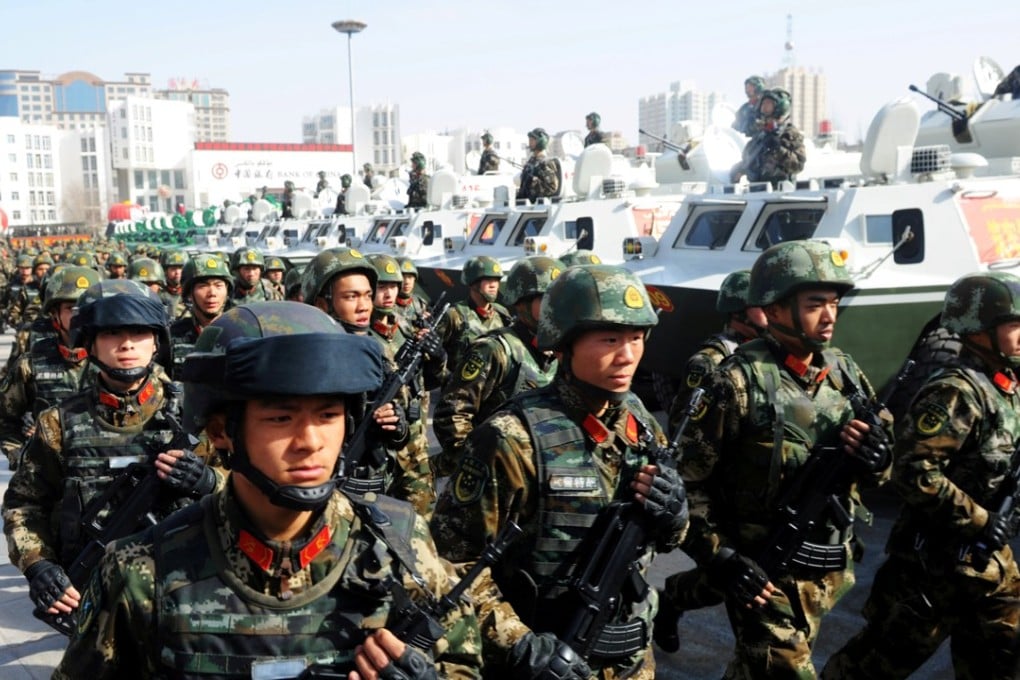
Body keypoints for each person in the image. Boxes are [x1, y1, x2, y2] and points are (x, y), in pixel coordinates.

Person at [52, 301, 483, 679]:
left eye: (328, 416)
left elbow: (463, 660)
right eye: (281, 419)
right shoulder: (141, 572)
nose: (311, 442)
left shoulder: (401, 545)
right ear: (221, 431)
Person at [430, 264, 689, 679]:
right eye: (610, 340)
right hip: (546, 659)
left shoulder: (639, 422)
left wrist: (674, 515)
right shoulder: (511, 437)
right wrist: (519, 644)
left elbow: (664, 538)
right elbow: (452, 565)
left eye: (637, 338)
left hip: (631, 657)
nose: (627, 356)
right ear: (564, 343)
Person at [675, 240, 894, 678]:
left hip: (829, 566)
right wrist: (721, 558)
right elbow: (686, 484)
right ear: (773, 309)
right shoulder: (736, 382)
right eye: (815, 305)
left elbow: (882, 465)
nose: (829, 316)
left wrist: (878, 458)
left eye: (833, 304)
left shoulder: (845, 373)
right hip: (764, 570)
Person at [822, 271, 1020, 680]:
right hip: (931, 569)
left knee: (1002, 662)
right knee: (871, 668)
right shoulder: (955, 392)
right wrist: (982, 520)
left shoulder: (1006, 387)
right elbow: (914, 472)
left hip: (988, 566)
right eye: (1015, 325)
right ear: (979, 331)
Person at [2, 279, 220, 627]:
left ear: (157, 341)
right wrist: (37, 563)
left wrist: (211, 481)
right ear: (89, 341)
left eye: (140, 332)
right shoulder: (59, 423)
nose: (127, 344)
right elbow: (24, 505)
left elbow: (253, 491)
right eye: (112, 333)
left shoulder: (195, 413)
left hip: (189, 593)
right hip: (95, 598)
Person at [655, 268, 768, 651]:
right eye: (761, 305)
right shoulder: (710, 362)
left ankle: (672, 598)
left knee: (735, 578)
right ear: (739, 311)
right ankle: (673, 598)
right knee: (737, 575)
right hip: (717, 487)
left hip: (750, 486)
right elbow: (688, 433)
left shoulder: (765, 355)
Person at [301, 247, 436, 515]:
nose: (364, 306)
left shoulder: (374, 354)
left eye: (366, 295)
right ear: (322, 304)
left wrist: (395, 426)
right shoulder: (306, 362)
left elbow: (400, 432)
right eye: (351, 297)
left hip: (375, 487)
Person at [432, 255, 561, 477]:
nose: (556, 307)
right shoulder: (494, 349)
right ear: (522, 302)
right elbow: (452, 412)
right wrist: (476, 463)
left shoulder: (563, 350)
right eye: (546, 299)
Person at [0, 266, 100, 469]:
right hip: (49, 476)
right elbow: (5, 419)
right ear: (54, 314)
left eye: (89, 306)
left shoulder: (121, 362)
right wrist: (21, 457)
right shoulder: (30, 365)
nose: (81, 314)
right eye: (71, 308)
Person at [435, 255, 512, 376]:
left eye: (496, 280)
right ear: (473, 283)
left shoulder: (502, 313)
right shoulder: (454, 315)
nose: (493, 285)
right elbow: (434, 357)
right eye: (488, 280)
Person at [169, 254, 233, 376]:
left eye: (218, 285)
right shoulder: (173, 334)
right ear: (189, 293)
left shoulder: (240, 332)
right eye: (203, 286)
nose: (212, 293)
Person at [730, 88, 807, 185]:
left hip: (781, 190)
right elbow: (748, 161)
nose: (764, 107)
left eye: (768, 104)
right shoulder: (760, 135)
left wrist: (778, 148)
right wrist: (739, 169)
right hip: (757, 189)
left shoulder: (790, 134)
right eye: (763, 103)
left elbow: (797, 166)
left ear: (780, 107)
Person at [518, 128, 560, 202]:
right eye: (529, 140)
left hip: (538, 205)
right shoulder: (530, 162)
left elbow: (552, 188)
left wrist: (534, 182)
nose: (530, 142)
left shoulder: (546, 162)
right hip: (525, 204)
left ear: (541, 141)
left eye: (532, 140)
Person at [158, 249, 187, 319]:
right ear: (165, 271)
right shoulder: (158, 293)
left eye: (181, 268)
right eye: (173, 269)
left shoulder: (191, 293)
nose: (178, 272)